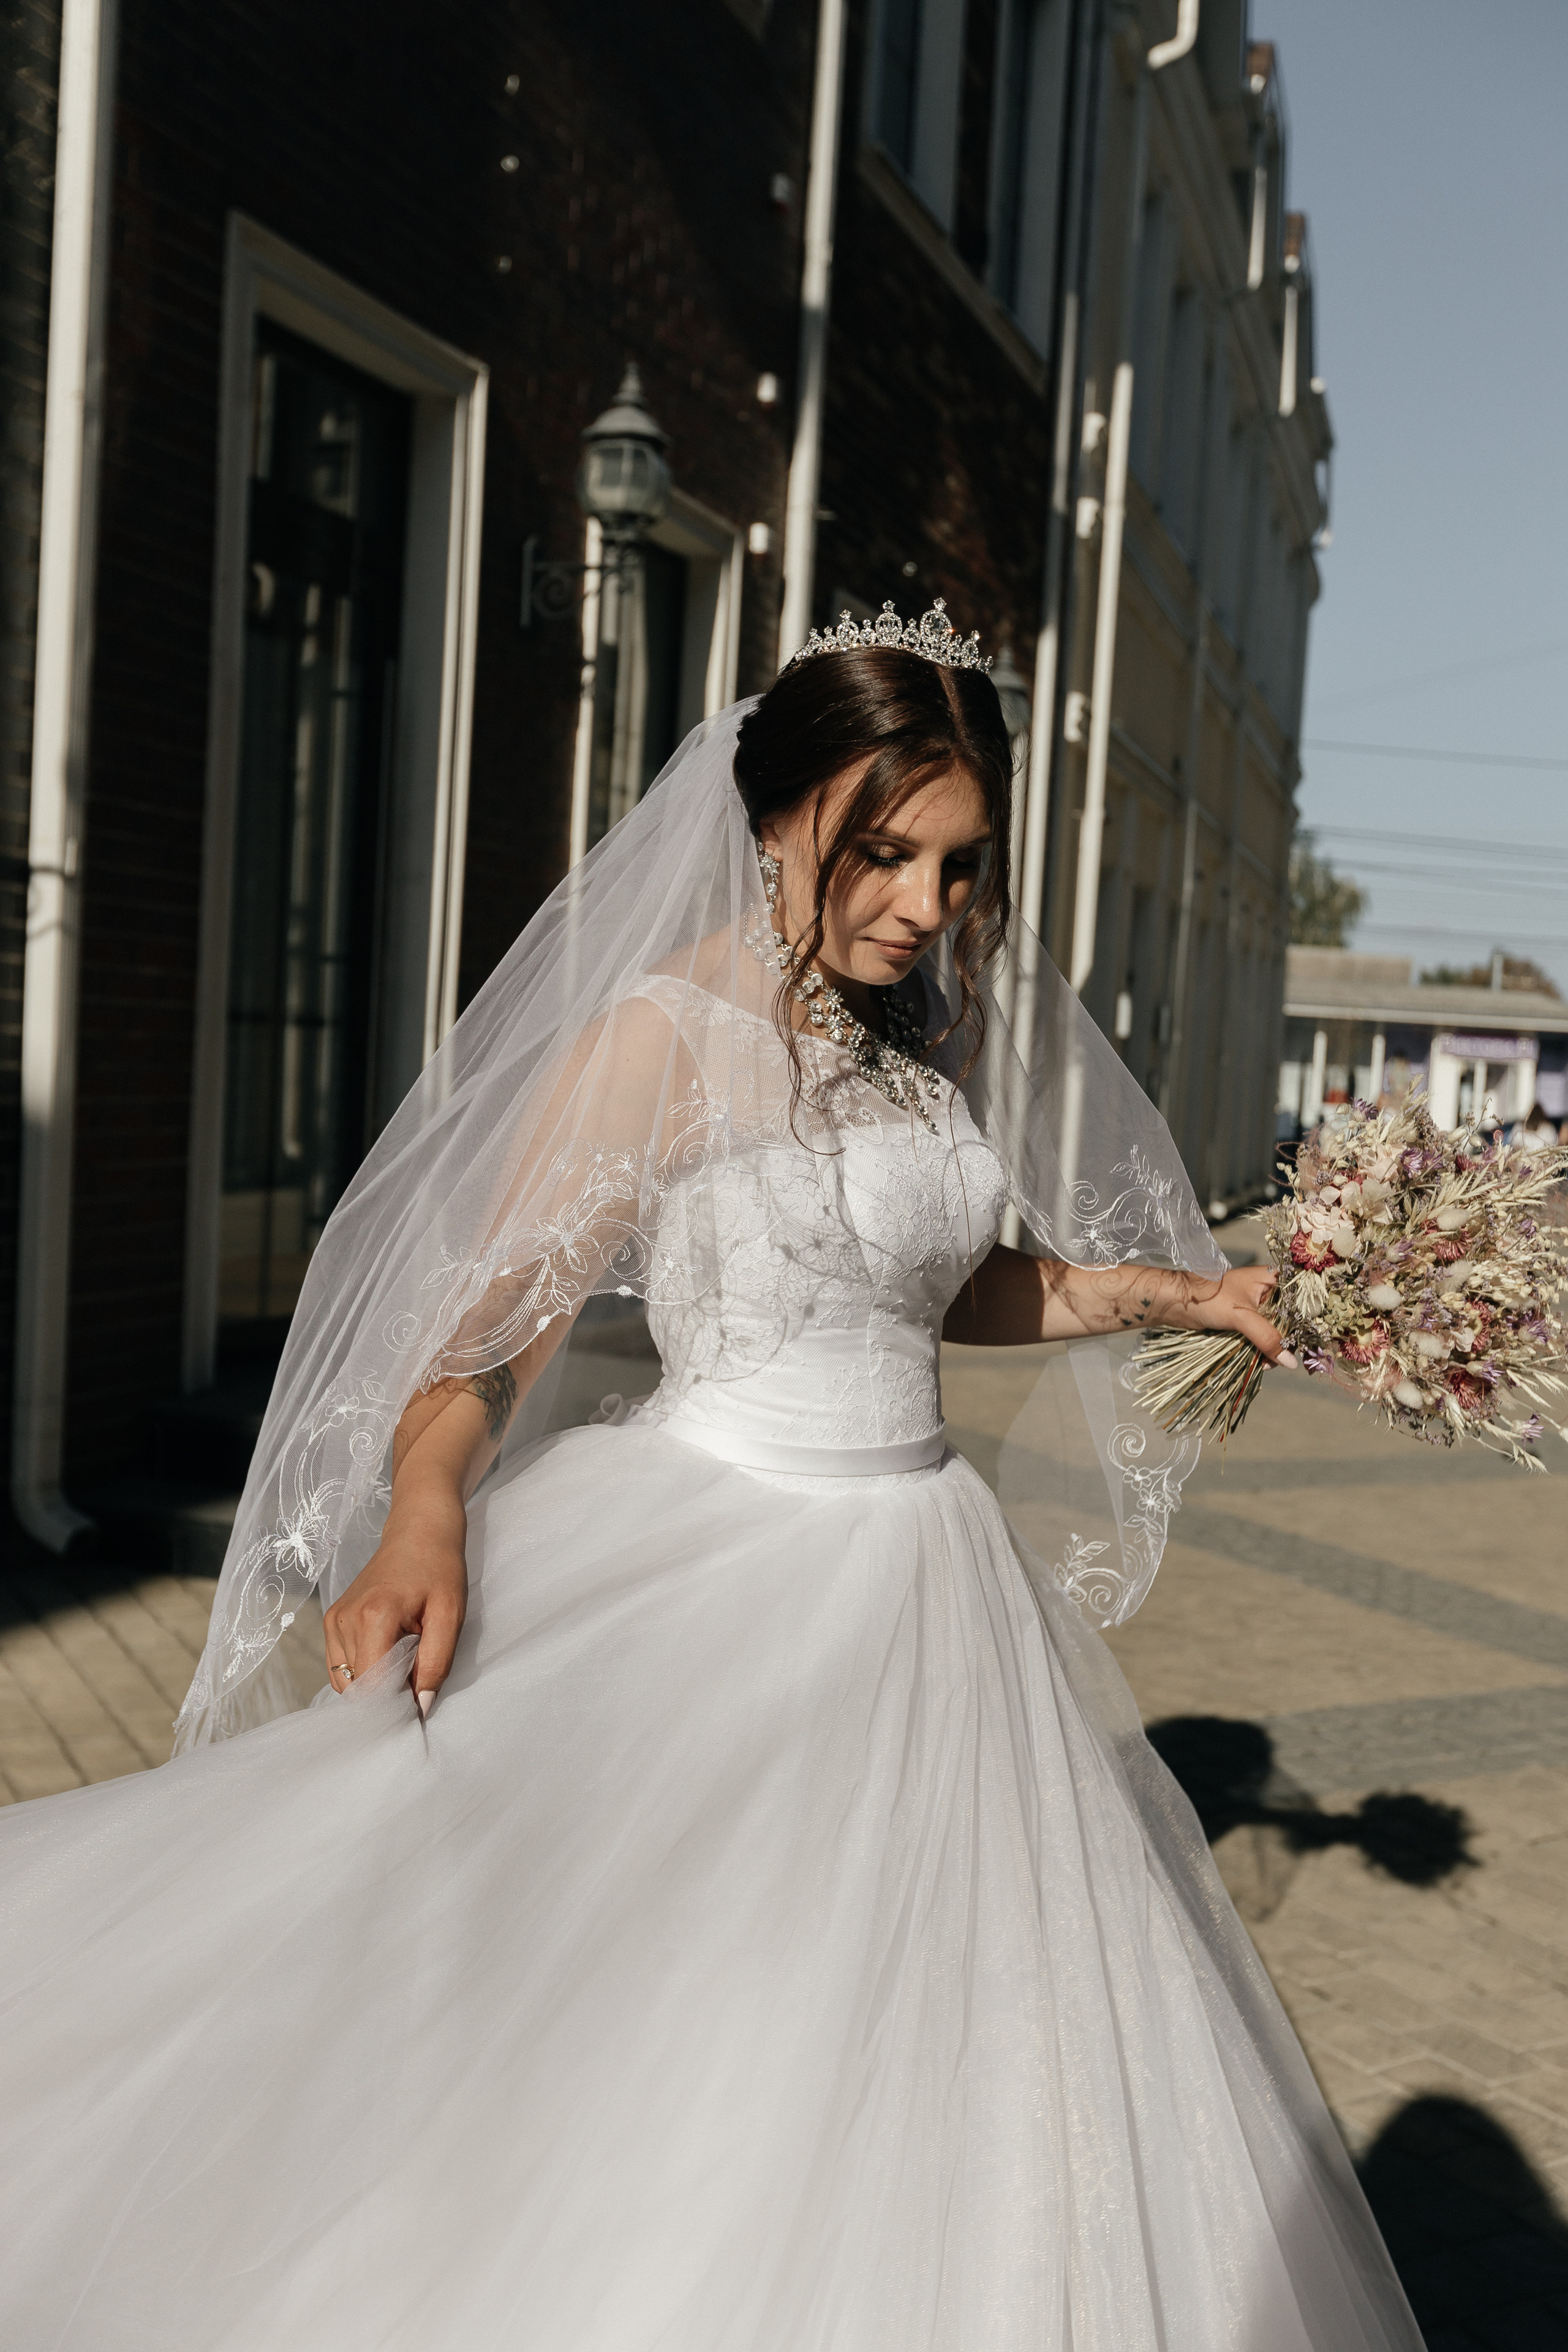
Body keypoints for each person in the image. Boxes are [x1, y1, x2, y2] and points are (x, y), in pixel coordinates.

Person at [0, 606, 1421, 2350]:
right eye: (881, 852)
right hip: (712, 1569)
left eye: (959, 865)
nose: (923, 904)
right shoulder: (661, 1040)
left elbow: (939, 1284)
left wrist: (1187, 1296)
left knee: (932, 2051)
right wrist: (427, 1511)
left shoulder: (915, 1036)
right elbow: (482, 1340)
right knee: (645, 2029)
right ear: (772, 818)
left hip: (931, 1592)